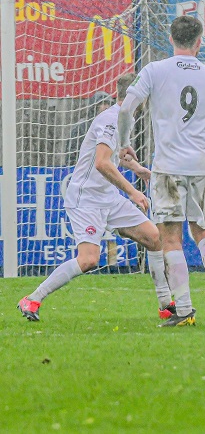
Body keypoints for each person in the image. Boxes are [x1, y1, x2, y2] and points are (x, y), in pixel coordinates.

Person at [117, 15, 205, 327]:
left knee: (171, 239)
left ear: (171, 39)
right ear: (199, 42)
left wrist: (123, 143)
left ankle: (183, 310)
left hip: (168, 166)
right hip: (203, 166)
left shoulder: (155, 70)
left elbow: (127, 107)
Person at [17, 75, 161, 322]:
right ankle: (32, 299)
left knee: (154, 238)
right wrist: (132, 191)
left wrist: (136, 168)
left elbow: (114, 155)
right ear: (137, 97)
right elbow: (102, 162)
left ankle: (166, 305)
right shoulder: (110, 119)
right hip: (86, 199)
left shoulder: (125, 117)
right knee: (88, 260)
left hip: (107, 197)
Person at [66, 91, 115, 164]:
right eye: (103, 104)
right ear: (94, 107)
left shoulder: (112, 127)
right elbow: (71, 156)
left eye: (108, 104)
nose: (107, 107)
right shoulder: (81, 127)